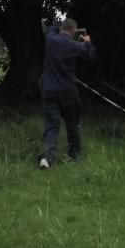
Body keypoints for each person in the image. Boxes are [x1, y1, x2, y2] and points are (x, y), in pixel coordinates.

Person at [38, 17, 97, 170]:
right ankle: (74, 156)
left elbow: (51, 27)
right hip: (68, 92)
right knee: (73, 125)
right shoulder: (74, 45)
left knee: (51, 127)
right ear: (73, 31)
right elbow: (90, 54)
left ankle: (46, 157)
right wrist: (87, 41)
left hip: (49, 91)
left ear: (62, 28)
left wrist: (61, 28)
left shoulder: (50, 39)